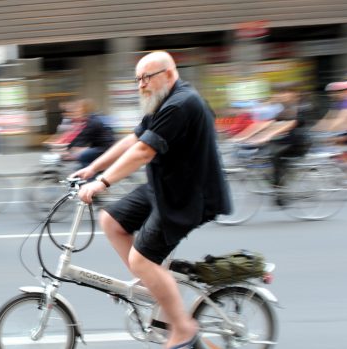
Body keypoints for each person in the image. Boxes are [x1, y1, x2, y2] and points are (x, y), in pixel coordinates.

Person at [72, 51, 230, 349]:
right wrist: (93, 168)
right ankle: (152, 282)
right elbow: (133, 140)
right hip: (165, 187)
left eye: (147, 77)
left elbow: (144, 151)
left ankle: (183, 329)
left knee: (140, 259)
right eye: (138, 79)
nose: (140, 85)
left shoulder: (181, 104)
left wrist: (102, 182)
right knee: (111, 220)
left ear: (169, 74)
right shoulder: (162, 102)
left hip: (188, 195)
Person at [63, 98, 116, 168]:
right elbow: (79, 137)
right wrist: (69, 148)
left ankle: (91, 177)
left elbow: (83, 138)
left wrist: (72, 152)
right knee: (80, 157)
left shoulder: (92, 122)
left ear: (85, 110)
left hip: (105, 148)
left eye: (78, 108)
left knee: (84, 156)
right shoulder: (88, 120)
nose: (76, 111)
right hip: (99, 146)